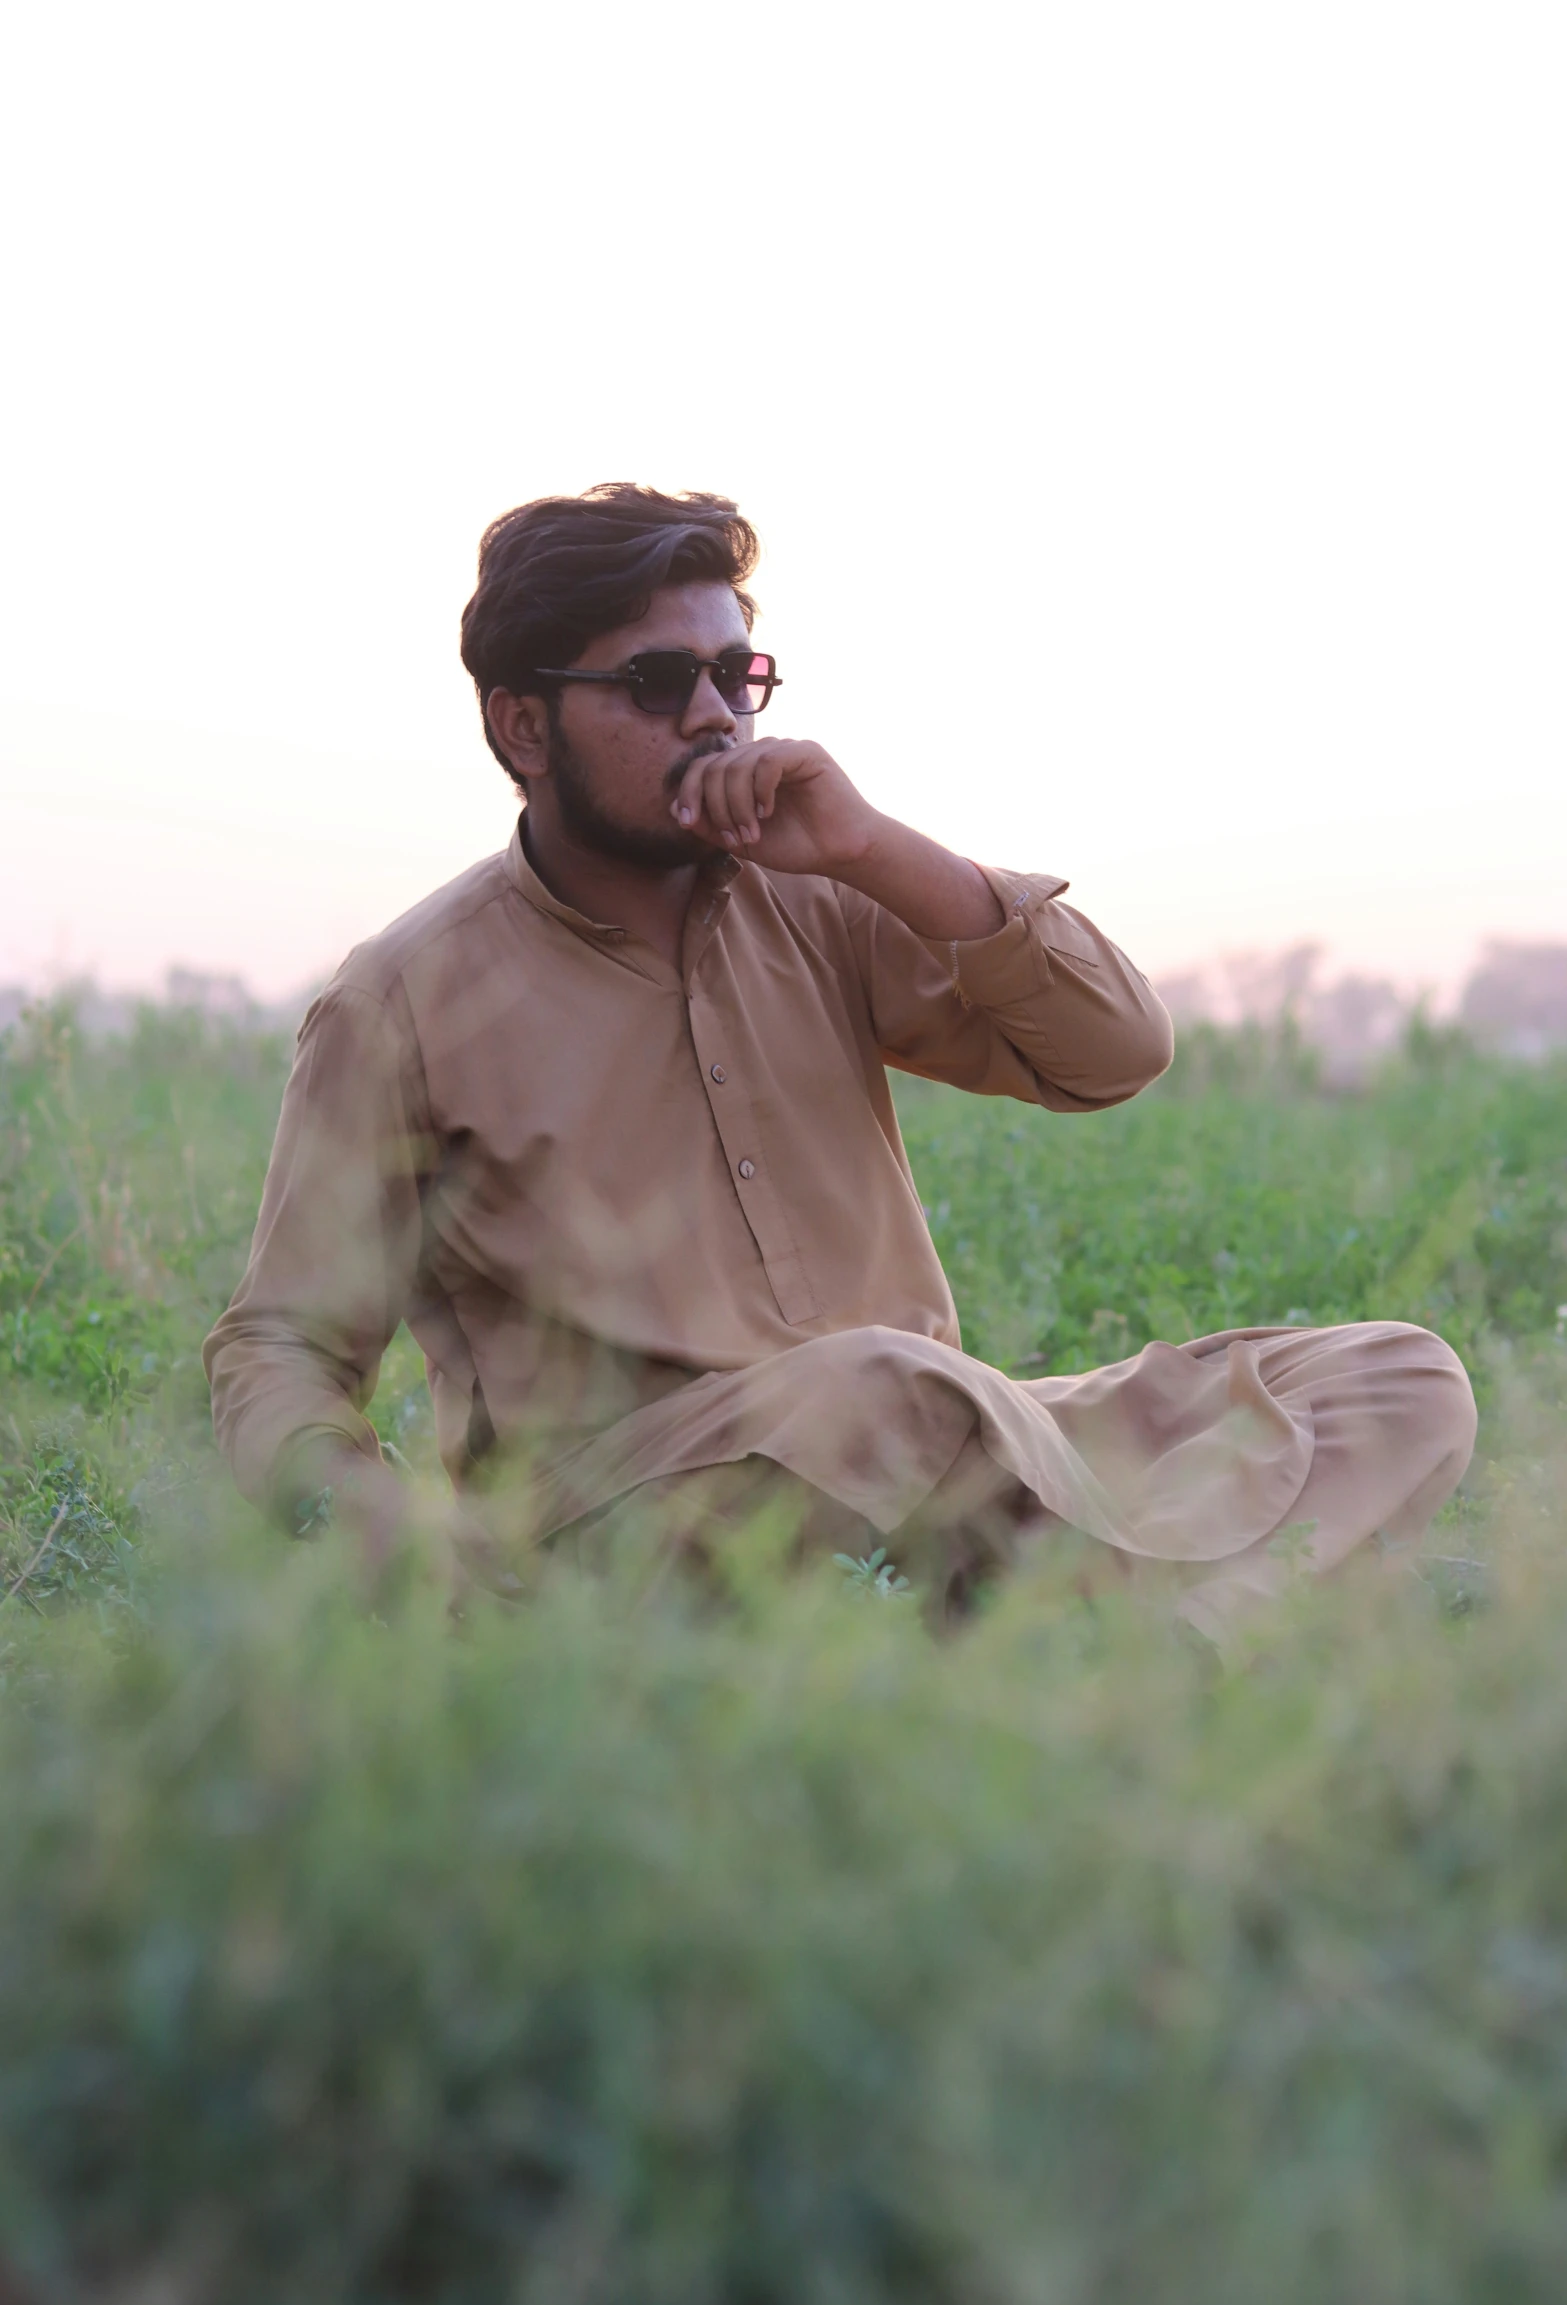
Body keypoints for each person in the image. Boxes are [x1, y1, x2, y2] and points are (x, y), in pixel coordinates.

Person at [204, 483, 1477, 1635]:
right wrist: (383, 1536)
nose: (711, 715)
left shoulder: (818, 896)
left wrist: (874, 849)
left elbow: (1114, 1050)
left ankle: (1160, 1647)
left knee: (1390, 1374)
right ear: (523, 726)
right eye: (656, 683)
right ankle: (1115, 1621)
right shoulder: (403, 1000)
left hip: (935, 1435)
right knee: (878, 1383)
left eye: (734, 673)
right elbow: (279, 1349)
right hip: (636, 1518)